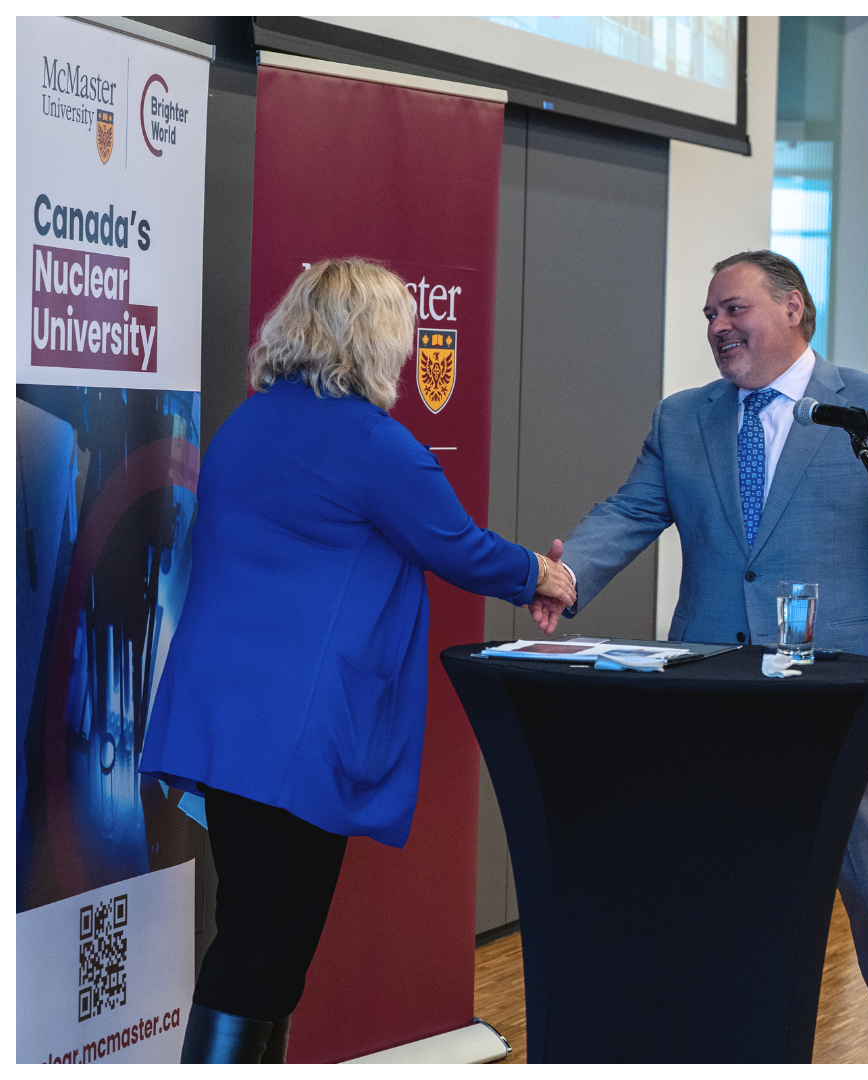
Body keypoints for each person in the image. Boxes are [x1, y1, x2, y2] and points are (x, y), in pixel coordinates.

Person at [141, 259, 576, 1063]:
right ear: (372, 338)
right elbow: (459, 546)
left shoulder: (252, 422)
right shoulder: (373, 444)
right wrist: (546, 577)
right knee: (264, 953)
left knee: (251, 935)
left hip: (221, 718)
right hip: (292, 733)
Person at [530, 250, 868, 1063]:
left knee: (866, 875)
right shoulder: (684, 418)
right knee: (719, 878)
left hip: (838, 692)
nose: (719, 326)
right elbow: (629, 512)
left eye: (734, 309)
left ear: (793, 308)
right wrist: (564, 575)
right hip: (714, 689)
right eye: (710, 315)